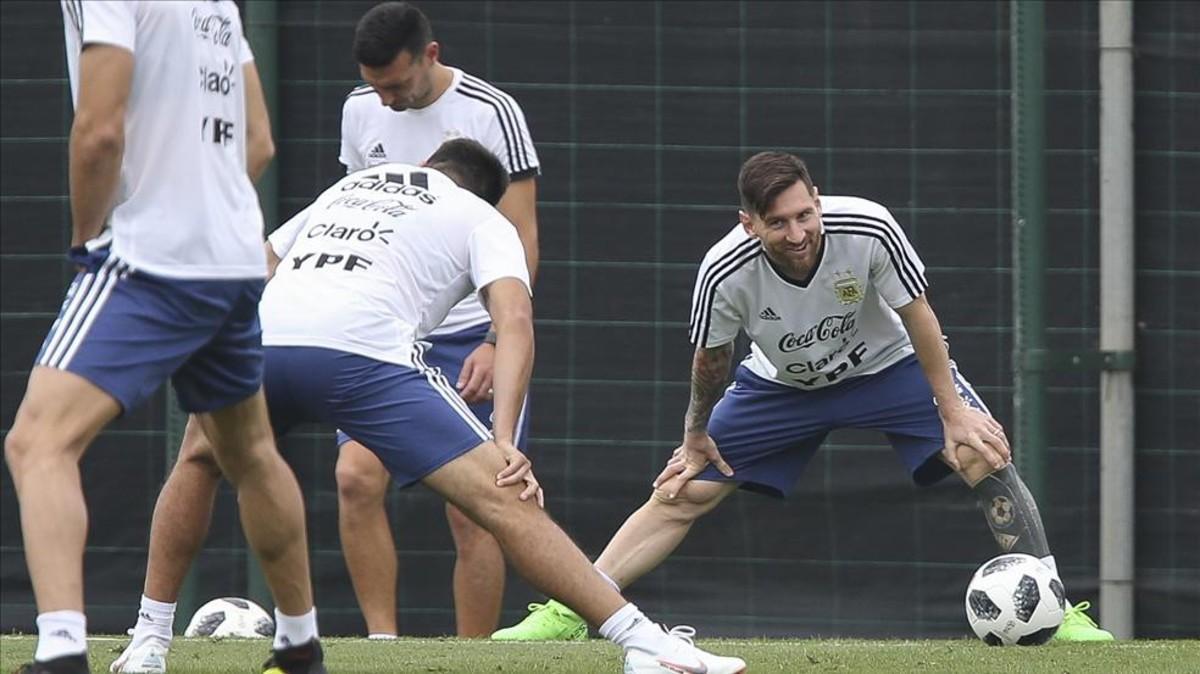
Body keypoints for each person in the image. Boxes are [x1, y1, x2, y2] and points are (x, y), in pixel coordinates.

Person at [123, 139, 749, 674]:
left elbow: (257, 266)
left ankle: (149, 642)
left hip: (264, 340)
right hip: (361, 353)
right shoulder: (482, 217)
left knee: (198, 462)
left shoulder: (355, 186)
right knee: (503, 495)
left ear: (425, 165)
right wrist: (506, 438)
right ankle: (644, 646)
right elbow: (515, 320)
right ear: (486, 194)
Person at [491, 151, 1115, 643]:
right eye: (777, 222)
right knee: (682, 488)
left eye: (803, 214)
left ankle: (1053, 609)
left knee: (982, 451)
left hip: (888, 368)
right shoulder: (722, 270)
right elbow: (711, 362)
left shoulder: (868, 226)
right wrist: (693, 437)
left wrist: (952, 410)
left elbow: (919, 315)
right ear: (749, 223)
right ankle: (576, 605)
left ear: (816, 201)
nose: (796, 233)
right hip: (780, 388)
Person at [5, 3, 325, 674]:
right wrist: (205, 214)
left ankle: (61, 650)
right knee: (252, 454)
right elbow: (259, 140)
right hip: (232, 260)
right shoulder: (215, 3)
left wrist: (87, 239)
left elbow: (98, 131)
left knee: (38, 441)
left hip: (152, 258)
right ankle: (299, 645)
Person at [335, 1, 540, 638]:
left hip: (468, 342)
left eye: (396, 84)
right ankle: (383, 646)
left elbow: (522, 236)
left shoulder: (493, 112)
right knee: (353, 478)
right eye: (375, 86)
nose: (386, 100)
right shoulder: (359, 108)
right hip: (385, 336)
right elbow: (357, 215)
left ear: (431, 54)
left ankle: (470, 655)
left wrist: (493, 336)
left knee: (477, 508)